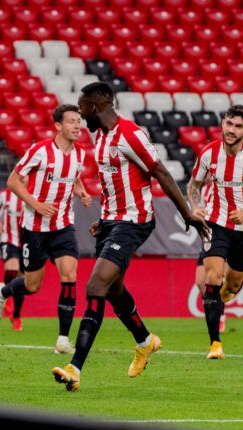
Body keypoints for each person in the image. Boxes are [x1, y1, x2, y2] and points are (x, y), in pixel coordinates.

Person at [52, 82, 209, 392]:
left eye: (83, 110)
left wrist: (187, 213)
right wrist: (103, 218)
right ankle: (145, 340)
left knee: (96, 285)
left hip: (135, 221)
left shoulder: (131, 134)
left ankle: (75, 367)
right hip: (111, 222)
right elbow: (114, 184)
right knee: (113, 290)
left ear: (95, 107)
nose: (82, 117)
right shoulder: (100, 140)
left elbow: (161, 172)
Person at [0, 104, 92, 354]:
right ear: (58, 126)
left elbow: (75, 178)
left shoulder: (80, 155)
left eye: (79, 121)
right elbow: (13, 181)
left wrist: (82, 192)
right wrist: (35, 204)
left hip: (63, 226)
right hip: (34, 228)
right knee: (32, 285)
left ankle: (62, 339)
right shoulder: (40, 151)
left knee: (70, 275)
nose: (77, 125)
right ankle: (3, 291)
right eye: (71, 121)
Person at [187, 105, 243, 359]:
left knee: (232, 285)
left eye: (238, 126)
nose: (231, 129)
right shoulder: (208, 153)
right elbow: (193, 185)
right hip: (215, 223)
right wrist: (196, 206)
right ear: (222, 123)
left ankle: (222, 303)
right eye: (228, 123)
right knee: (211, 279)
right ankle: (215, 344)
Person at [192, 172, 227, 333]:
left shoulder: (223, 189)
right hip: (206, 239)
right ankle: (213, 313)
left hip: (221, 240)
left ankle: (220, 316)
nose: (207, 176)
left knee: (216, 279)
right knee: (200, 282)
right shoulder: (202, 191)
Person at [0, 187, 25, 331]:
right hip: (9, 240)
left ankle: (16, 315)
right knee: (12, 268)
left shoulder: (35, 193)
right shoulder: (4, 194)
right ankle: (5, 295)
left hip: (27, 242)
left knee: (23, 281)